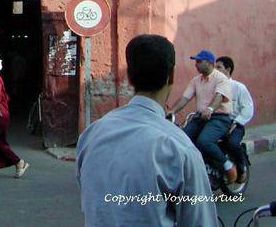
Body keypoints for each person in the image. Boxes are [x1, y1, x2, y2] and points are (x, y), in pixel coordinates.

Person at [77, 35, 217, 227]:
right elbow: (201, 221)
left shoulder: (91, 135)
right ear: (171, 76)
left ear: (129, 76)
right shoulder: (180, 148)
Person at [168, 49, 236, 183]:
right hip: (200, 117)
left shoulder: (221, 79)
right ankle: (197, 168)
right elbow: (185, 97)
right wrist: (172, 111)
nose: (196, 64)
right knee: (183, 139)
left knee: (204, 141)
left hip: (219, 118)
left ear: (210, 62)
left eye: (199, 61)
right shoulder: (196, 80)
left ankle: (228, 165)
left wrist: (210, 108)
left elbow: (219, 96)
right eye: (195, 61)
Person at [215, 55, 254, 184]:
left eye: (219, 67)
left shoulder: (239, 87)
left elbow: (248, 108)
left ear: (228, 69)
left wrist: (237, 122)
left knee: (231, 143)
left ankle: (241, 167)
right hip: (218, 123)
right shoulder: (214, 87)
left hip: (235, 124)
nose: (215, 70)